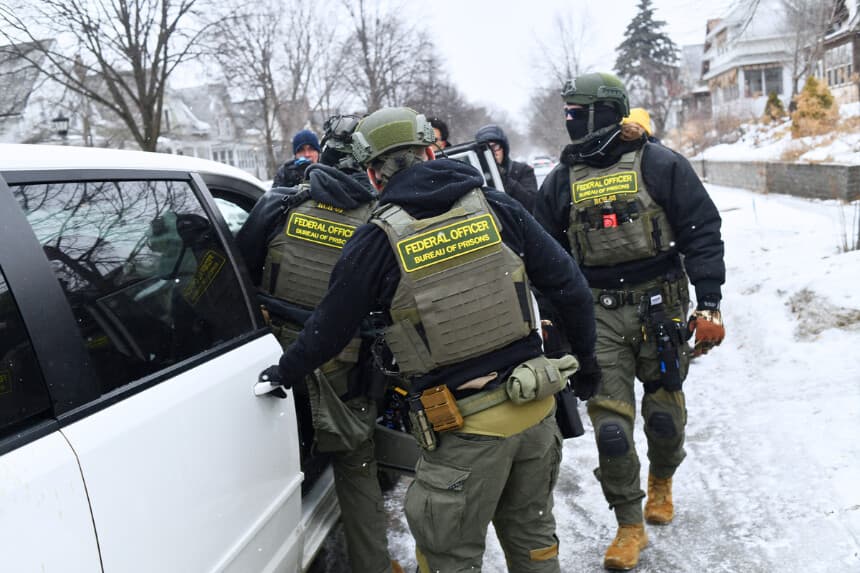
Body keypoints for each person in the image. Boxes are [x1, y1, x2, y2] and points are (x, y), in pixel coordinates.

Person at [258, 107, 600, 573]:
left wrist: (283, 371)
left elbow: (328, 330)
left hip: (465, 429)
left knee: (448, 559)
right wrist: (588, 362)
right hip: (537, 416)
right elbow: (571, 289)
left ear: (373, 174)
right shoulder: (495, 207)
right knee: (534, 542)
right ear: (431, 149)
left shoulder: (377, 241)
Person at [535, 72, 726, 571]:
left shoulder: (661, 164)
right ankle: (628, 523)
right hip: (596, 312)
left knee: (663, 417)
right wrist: (553, 323)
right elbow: (545, 257)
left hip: (659, 305)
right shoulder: (560, 181)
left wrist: (709, 302)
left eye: (576, 111)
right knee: (611, 429)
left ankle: (662, 479)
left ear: (602, 111)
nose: (569, 120)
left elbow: (701, 230)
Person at [236, 115, 403, 573]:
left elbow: (234, 278)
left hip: (274, 363)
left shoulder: (278, 206)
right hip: (347, 370)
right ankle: (372, 564)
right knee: (357, 466)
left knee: (271, 463)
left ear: (322, 155)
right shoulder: (383, 222)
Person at [475, 124, 539, 213]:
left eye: (494, 147)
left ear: (504, 148)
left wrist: (505, 179)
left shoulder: (522, 170)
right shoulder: (476, 177)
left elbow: (532, 205)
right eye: (485, 149)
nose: (492, 153)